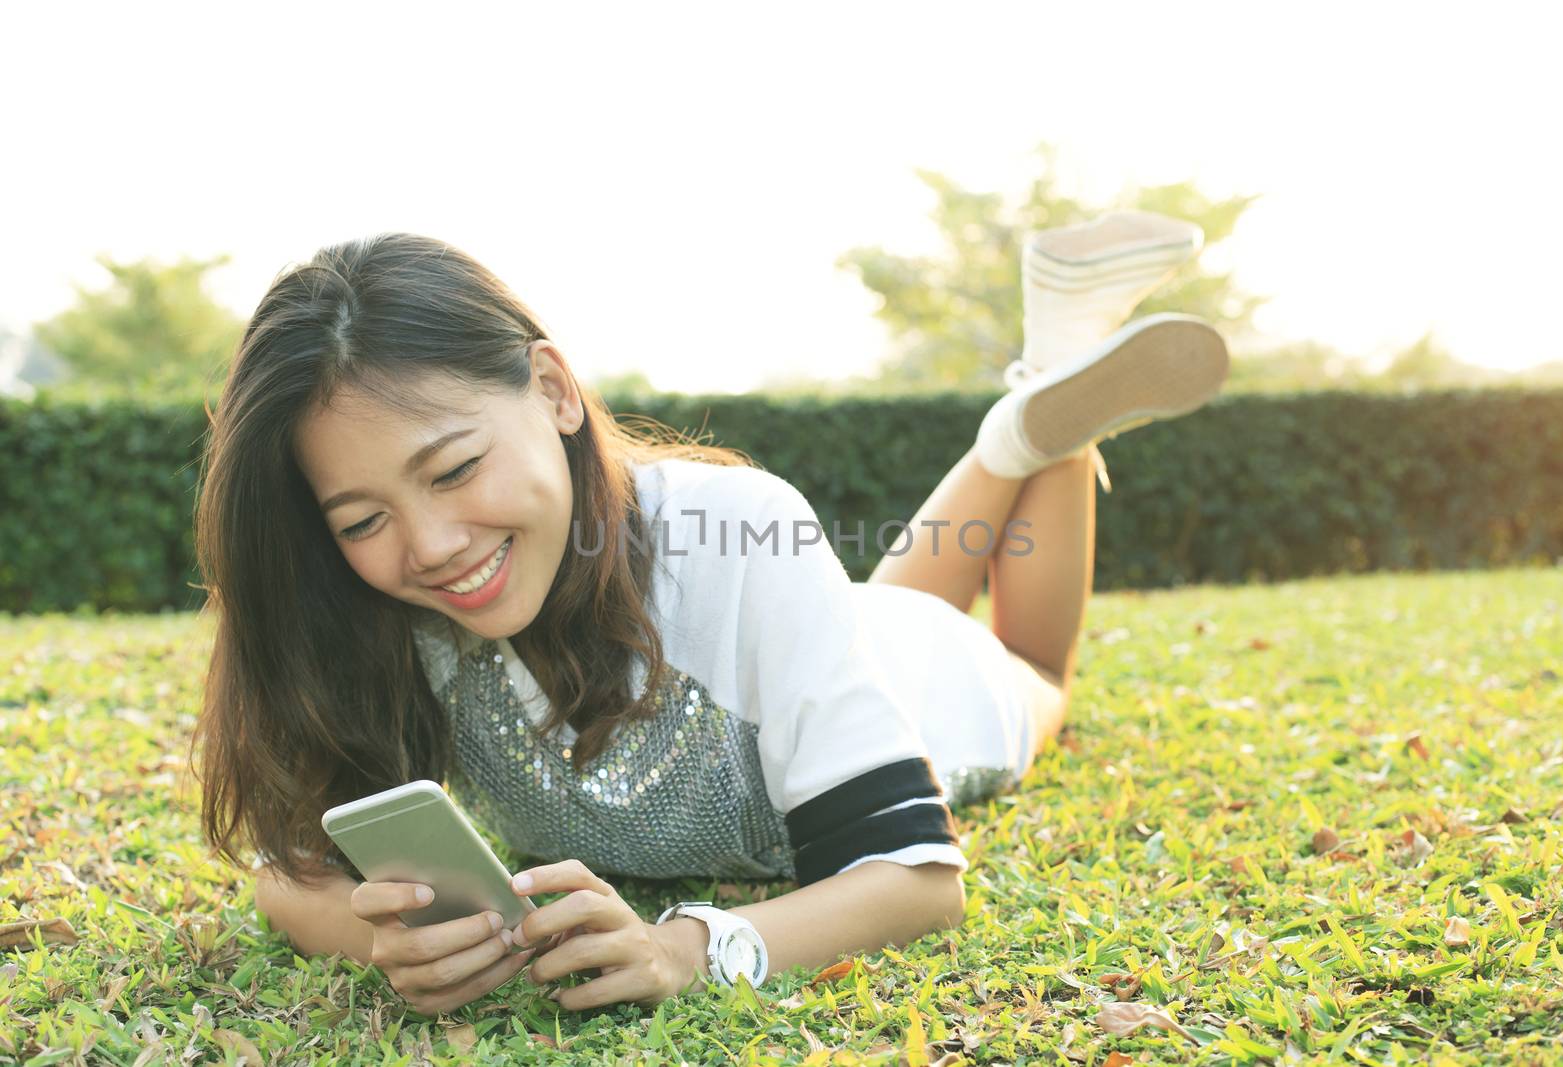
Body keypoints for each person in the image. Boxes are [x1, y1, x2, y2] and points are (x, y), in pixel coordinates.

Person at [194, 216, 1227, 1016]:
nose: (429, 545)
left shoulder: (733, 526)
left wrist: (685, 946)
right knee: (867, 612)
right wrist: (378, 936)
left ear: (553, 388)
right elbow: (289, 876)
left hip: (926, 689)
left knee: (1033, 664)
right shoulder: (373, 607)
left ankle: (1037, 406)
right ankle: (1020, 417)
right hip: (822, 644)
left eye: (456, 466)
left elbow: (917, 883)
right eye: (364, 515)